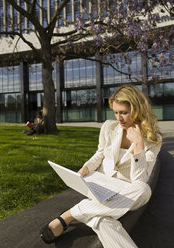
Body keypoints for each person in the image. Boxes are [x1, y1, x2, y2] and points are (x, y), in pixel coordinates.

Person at [40, 85, 162, 248]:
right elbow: (100, 154)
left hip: (125, 193)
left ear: (138, 110)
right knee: (102, 220)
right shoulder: (108, 127)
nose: (119, 118)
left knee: (144, 190)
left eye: (124, 112)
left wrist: (138, 144)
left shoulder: (153, 140)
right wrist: (86, 168)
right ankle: (83, 211)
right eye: (116, 112)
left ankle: (70, 214)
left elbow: (140, 180)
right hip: (100, 186)